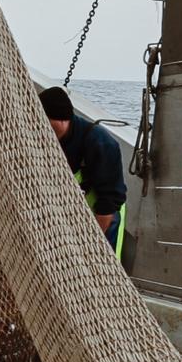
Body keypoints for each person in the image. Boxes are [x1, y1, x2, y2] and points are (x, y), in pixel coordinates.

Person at [38, 86, 127, 257]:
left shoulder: (101, 143)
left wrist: (91, 245)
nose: (42, 129)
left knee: (100, 268)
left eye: (46, 121)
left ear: (63, 119)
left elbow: (109, 203)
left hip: (104, 217)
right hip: (74, 215)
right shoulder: (51, 140)